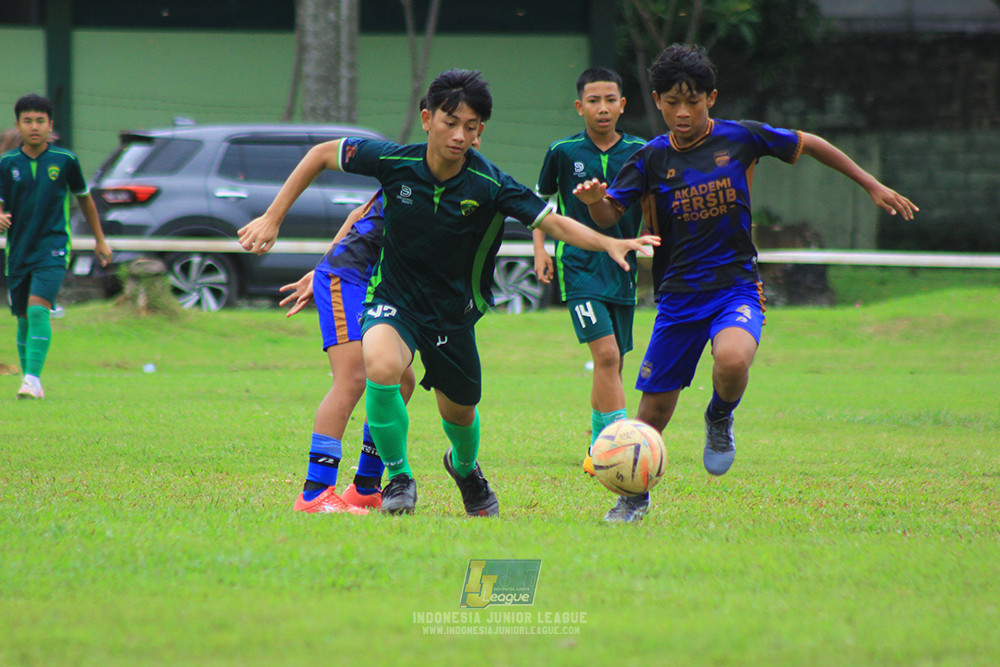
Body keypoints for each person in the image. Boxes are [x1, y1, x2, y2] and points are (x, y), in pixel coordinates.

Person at [239, 69, 658, 516]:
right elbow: (322, 154)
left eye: (471, 126)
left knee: (459, 414)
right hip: (394, 300)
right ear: (427, 118)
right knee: (380, 366)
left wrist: (609, 241)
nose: (459, 135)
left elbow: (551, 221)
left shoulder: (491, 184)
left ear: (480, 132)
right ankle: (396, 478)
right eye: (450, 122)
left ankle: (466, 469)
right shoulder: (395, 162)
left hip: (454, 313)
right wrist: (272, 217)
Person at [575, 44, 918, 522]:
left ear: (710, 98)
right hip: (677, 297)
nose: (682, 113)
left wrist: (871, 185)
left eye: (692, 102)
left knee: (733, 359)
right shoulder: (651, 159)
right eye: (672, 103)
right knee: (650, 418)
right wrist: (594, 201)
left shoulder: (741, 139)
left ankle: (719, 415)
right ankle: (634, 496)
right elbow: (611, 211)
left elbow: (809, 143)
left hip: (734, 286)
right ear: (657, 101)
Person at [532, 67, 646, 477]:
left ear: (622, 105)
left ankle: (596, 446)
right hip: (577, 266)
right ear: (580, 107)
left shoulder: (640, 150)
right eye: (593, 101)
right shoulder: (562, 151)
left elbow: (651, 202)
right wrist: (541, 250)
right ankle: (614, 449)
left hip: (622, 266)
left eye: (610, 100)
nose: (602, 108)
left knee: (615, 362)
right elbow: (542, 203)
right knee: (606, 354)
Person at [276, 194, 417, 515]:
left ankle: (366, 487)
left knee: (402, 379)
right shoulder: (411, 169)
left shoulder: (459, 179)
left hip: (377, 285)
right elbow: (360, 213)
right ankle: (315, 492)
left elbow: (361, 212)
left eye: (474, 138)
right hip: (348, 277)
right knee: (353, 377)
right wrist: (323, 267)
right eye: (465, 136)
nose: (464, 140)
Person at [0, 94, 112, 399]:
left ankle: (32, 379)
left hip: (53, 248)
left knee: (38, 311)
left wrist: (100, 239)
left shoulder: (65, 160)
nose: (34, 127)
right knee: (23, 318)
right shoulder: (6, 164)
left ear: (50, 125)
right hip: (18, 250)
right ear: (17, 125)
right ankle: (29, 379)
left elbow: (85, 199)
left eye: (40, 121)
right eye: (27, 121)